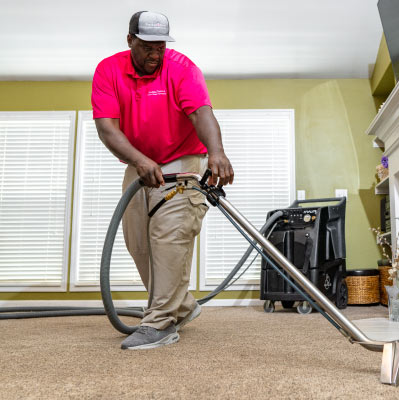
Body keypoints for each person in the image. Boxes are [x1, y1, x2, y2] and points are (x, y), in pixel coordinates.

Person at [91, 11, 234, 350]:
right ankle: (180, 305)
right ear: (130, 41)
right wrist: (140, 160)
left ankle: (160, 321)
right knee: (137, 240)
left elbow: (201, 112)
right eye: (147, 48)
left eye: (160, 47)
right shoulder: (108, 70)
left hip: (183, 159)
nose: (155, 55)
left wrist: (217, 152)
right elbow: (106, 127)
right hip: (140, 161)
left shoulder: (182, 68)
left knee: (169, 237)